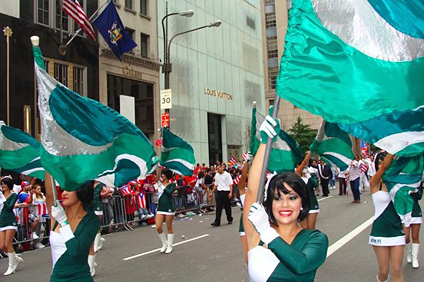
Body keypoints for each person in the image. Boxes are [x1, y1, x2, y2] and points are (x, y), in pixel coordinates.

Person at [244, 115, 328, 282]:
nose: (284, 205)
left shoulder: (315, 239)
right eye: (277, 198)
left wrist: (267, 232)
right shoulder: (256, 234)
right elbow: (253, 190)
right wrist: (264, 143)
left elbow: (301, 265)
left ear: (302, 202)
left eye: (292, 197)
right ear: (270, 204)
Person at [45, 173, 100, 282]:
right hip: (56, 278)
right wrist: (47, 162)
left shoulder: (91, 221)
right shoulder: (56, 214)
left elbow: (75, 251)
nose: (64, 193)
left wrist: (63, 222)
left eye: (69, 189)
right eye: (64, 189)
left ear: (81, 190)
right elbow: (50, 193)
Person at [369, 153, 404, 282]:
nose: (383, 164)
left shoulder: (399, 183)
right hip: (380, 231)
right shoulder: (374, 183)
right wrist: (391, 152)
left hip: (397, 231)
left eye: (383, 162)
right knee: (384, 272)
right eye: (379, 162)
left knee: (397, 270)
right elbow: (384, 168)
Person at [0, 177, 23, 276]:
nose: (2, 185)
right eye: (1, 184)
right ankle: (15, 258)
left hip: (10, 221)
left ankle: (11, 266)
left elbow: (9, 207)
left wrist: (3, 197)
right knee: (2, 246)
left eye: (4, 184)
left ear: (8, 185)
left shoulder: (14, 195)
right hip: (2, 221)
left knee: (8, 244)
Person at [154, 169, 177, 254]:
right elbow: (157, 192)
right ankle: (164, 243)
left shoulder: (172, 184)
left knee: (169, 227)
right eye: (162, 174)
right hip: (160, 207)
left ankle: (170, 245)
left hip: (169, 208)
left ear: (167, 175)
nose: (162, 175)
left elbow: (169, 192)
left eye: (163, 174)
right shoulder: (159, 183)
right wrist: (156, 186)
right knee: (158, 226)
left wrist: (162, 186)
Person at [295, 152, 320, 230]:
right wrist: (307, 156)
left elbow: (315, 184)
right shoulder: (296, 176)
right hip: (302, 205)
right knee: (304, 229)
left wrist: (308, 175)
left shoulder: (311, 174)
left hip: (312, 204)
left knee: (311, 229)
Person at [404, 183, 422, 269]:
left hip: (415, 211)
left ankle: (415, 258)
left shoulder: (417, 181)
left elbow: (419, 196)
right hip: (404, 211)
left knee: (415, 236)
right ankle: (409, 252)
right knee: (406, 237)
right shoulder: (401, 181)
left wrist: (414, 190)